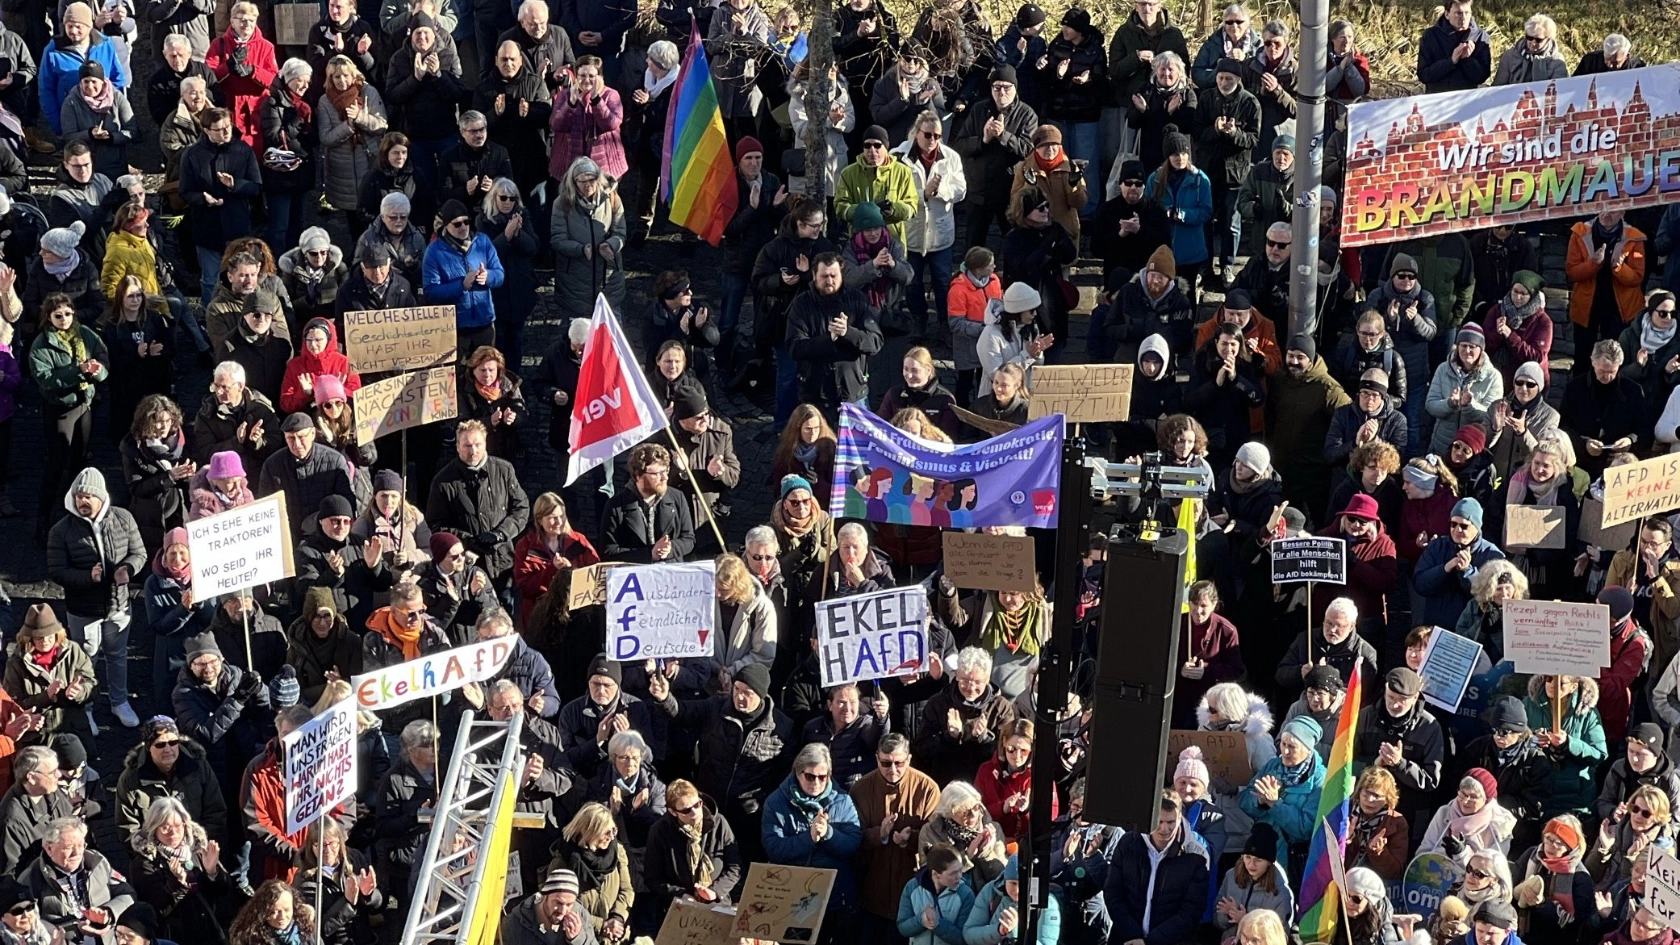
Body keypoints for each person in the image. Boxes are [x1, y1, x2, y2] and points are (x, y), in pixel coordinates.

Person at [648, 662, 792, 863]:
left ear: (761, 695)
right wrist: (664, 698)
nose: (739, 697)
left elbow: (784, 775)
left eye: (747, 692)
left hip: (749, 814)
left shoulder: (783, 728)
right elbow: (682, 712)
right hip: (710, 804)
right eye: (737, 689)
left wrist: (764, 801)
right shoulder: (716, 706)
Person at [426, 419, 530, 590]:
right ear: (458, 446)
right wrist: (469, 540)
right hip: (466, 566)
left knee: (503, 613)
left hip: (503, 561)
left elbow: (521, 507)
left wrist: (501, 533)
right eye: (467, 446)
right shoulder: (443, 481)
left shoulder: (504, 470)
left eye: (477, 444)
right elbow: (436, 525)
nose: (473, 451)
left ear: (485, 443)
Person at [125, 795, 229, 942]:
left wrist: (212, 872)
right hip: (174, 938)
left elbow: (223, 891)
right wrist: (176, 884)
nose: (173, 833)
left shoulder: (198, 848)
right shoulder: (144, 862)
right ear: (153, 829)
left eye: (178, 826)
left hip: (209, 933)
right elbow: (155, 910)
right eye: (165, 827)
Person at [550, 156, 627, 320]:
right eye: (581, 181)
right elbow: (557, 239)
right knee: (576, 339)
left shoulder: (612, 199)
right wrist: (580, 249)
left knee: (611, 337)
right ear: (574, 182)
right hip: (575, 282)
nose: (587, 185)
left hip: (608, 279)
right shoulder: (562, 203)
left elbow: (620, 233)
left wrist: (610, 245)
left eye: (591, 179)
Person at [600, 442, 697, 563]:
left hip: (671, 574)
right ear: (638, 475)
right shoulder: (616, 505)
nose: (664, 477)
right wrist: (649, 554)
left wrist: (671, 548)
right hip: (635, 575)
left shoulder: (677, 497)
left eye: (665, 471)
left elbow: (688, 539)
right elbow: (608, 550)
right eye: (656, 474)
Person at [1561, 340, 1643, 480]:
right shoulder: (1574, 388)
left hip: (1619, 466)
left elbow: (1644, 427)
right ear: (1593, 362)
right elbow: (1564, 426)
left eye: (1612, 372)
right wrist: (1584, 443)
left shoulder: (1633, 391)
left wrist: (1630, 440)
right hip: (1581, 463)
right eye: (1602, 371)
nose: (1607, 377)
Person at [1416, 0, 1491, 94]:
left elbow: (1482, 77)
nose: (1463, 18)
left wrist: (1467, 60)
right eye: (1458, 13)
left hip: (1467, 100)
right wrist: (1451, 62)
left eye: (1467, 13)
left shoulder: (1481, 37)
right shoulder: (1431, 35)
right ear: (1447, 14)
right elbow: (1424, 75)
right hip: (1437, 100)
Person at [1494, 14, 1567, 86]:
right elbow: (1498, 86)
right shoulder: (1510, 56)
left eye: (1538, 40)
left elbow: (1559, 89)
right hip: (1513, 96)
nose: (1533, 43)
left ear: (1548, 39)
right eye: (1529, 37)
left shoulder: (1557, 60)